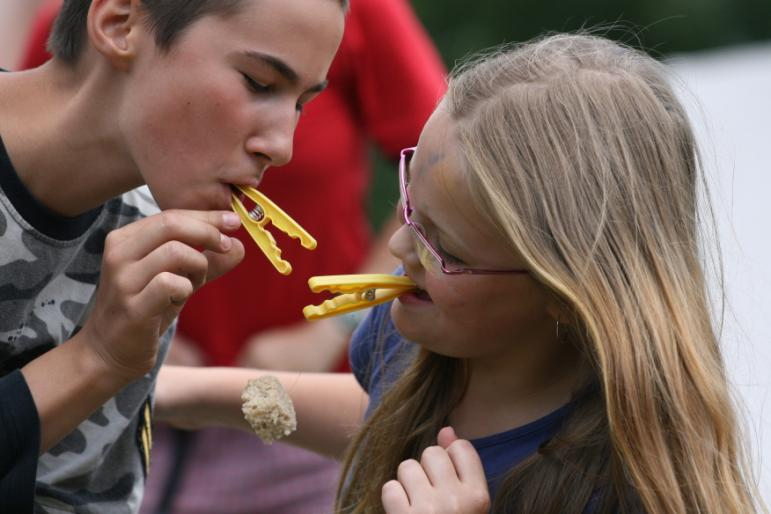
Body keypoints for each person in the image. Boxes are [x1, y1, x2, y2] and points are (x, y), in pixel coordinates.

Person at [154, 33, 766, 513]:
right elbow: (376, 415)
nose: (398, 245)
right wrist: (198, 395)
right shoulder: (419, 335)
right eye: (409, 206)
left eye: (446, 247)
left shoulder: (615, 486)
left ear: (565, 290)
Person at [0, 0, 345, 512]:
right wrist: (98, 358)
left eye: (301, 104)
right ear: (120, 24)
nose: (283, 146)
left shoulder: (141, 233)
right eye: (258, 82)